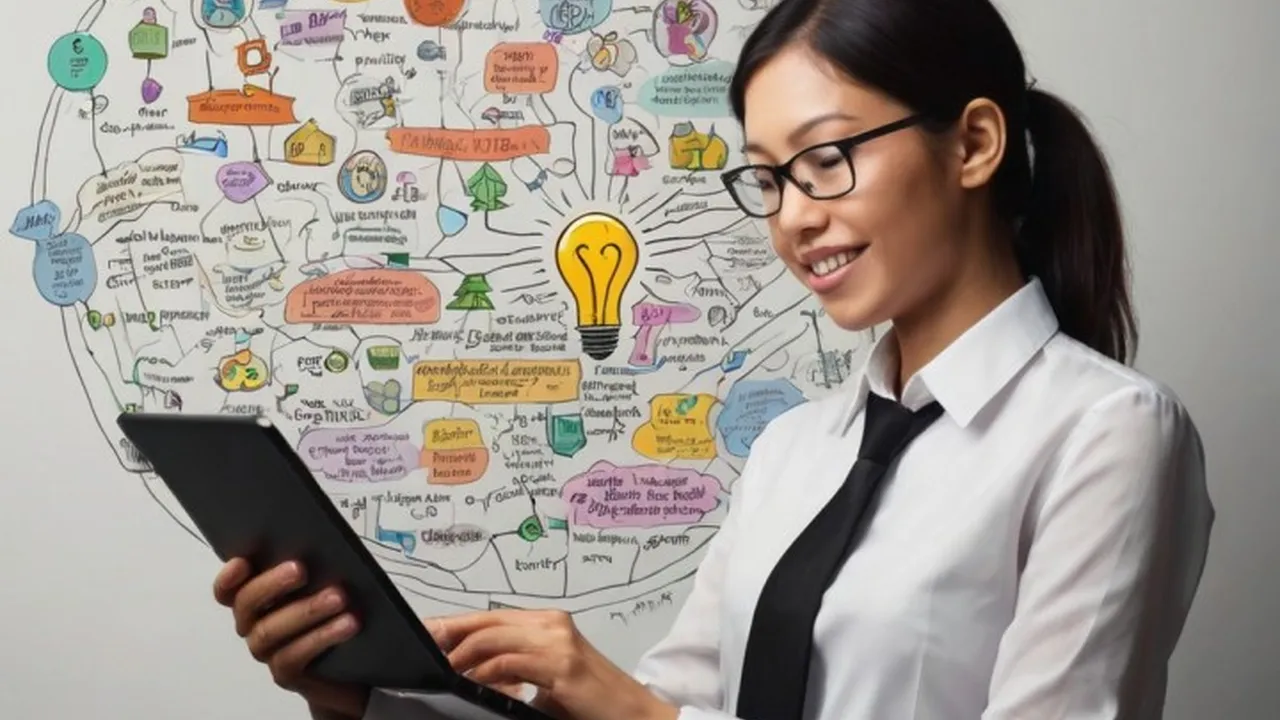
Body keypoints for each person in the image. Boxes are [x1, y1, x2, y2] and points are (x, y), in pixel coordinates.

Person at [212, 0, 1215, 718]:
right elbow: (679, 709)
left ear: (974, 144)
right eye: (767, 179)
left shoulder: (1105, 434)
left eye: (826, 160)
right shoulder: (795, 448)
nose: (793, 219)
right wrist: (358, 693)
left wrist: (633, 714)